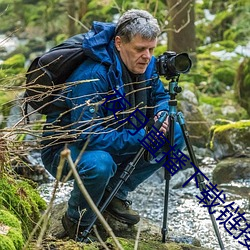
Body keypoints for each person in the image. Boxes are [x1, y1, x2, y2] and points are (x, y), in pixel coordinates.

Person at [41, 9, 185, 241]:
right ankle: (76, 221)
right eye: (140, 49)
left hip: (116, 135)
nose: (147, 56)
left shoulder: (145, 64)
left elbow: (159, 96)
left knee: (174, 132)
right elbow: (87, 135)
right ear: (119, 43)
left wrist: (161, 114)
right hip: (66, 149)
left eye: (152, 49)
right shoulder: (92, 75)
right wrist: (143, 136)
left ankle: (115, 193)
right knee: (100, 164)